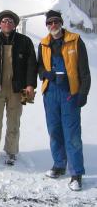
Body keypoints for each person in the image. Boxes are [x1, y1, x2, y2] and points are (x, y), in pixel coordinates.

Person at [38, 10, 91, 191]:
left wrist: (83, 93)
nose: (53, 25)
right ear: (47, 25)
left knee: (72, 134)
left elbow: (84, 70)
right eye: (50, 23)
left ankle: (76, 173)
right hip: (50, 93)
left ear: (61, 23)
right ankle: (59, 165)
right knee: (55, 131)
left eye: (56, 22)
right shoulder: (43, 44)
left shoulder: (75, 40)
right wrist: (46, 74)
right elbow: (39, 67)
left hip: (70, 94)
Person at [0, 10, 37, 166]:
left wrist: (30, 85)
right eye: (4, 21)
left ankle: (11, 152)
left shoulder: (25, 41)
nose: (7, 23)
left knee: (14, 121)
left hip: (18, 89)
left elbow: (32, 65)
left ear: (15, 24)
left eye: (11, 21)